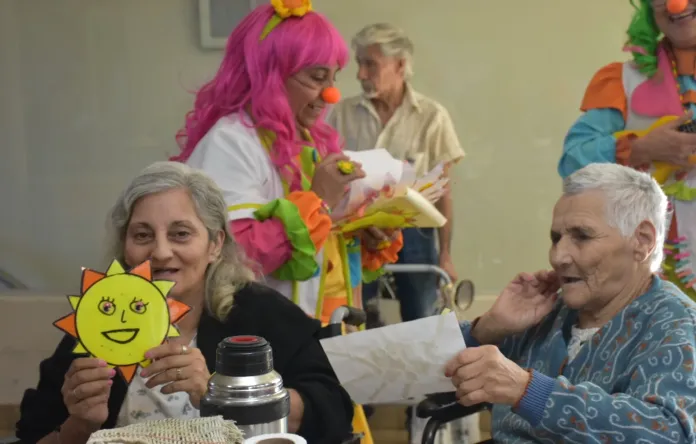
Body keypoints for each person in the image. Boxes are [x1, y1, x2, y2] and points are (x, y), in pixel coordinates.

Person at [14, 161, 354, 444]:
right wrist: (80, 424)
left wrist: (222, 395)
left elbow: (332, 412)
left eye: (180, 234)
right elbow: (32, 433)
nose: (161, 252)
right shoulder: (99, 323)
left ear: (215, 244)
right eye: (143, 235)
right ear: (125, 247)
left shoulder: (263, 315)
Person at [171, 1, 403, 324]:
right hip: (265, 336)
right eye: (317, 77)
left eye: (333, 78)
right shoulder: (230, 143)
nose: (332, 95)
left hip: (322, 334)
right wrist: (320, 201)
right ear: (270, 75)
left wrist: (361, 233)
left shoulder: (310, 140)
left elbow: (319, 251)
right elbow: (233, 256)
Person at [446, 163, 696, 443]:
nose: (558, 257)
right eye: (556, 238)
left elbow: (668, 433)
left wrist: (529, 391)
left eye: (582, 236)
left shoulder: (674, 325)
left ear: (642, 240)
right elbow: (421, 380)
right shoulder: (546, 313)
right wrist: (488, 327)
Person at [328, 23, 465, 323]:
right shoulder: (341, 114)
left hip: (414, 232)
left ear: (400, 65)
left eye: (370, 64)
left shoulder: (432, 117)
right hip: (358, 230)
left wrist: (445, 255)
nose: (360, 74)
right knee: (355, 317)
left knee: (423, 320)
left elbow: (444, 192)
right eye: (359, 63)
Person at [559, 0, 696, 301]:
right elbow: (573, 158)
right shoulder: (624, 80)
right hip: (653, 272)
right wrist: (640, 149)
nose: (677, 5)